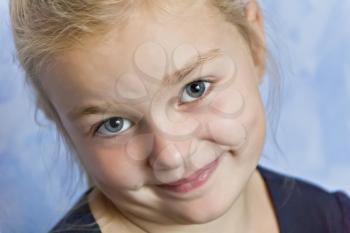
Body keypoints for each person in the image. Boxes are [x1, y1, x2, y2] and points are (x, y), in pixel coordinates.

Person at [9, 0, 350, 232]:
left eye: (196, 89)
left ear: (255, 43)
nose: (171, 154)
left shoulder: (332, 220)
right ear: (60, 122)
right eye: (114, 124)